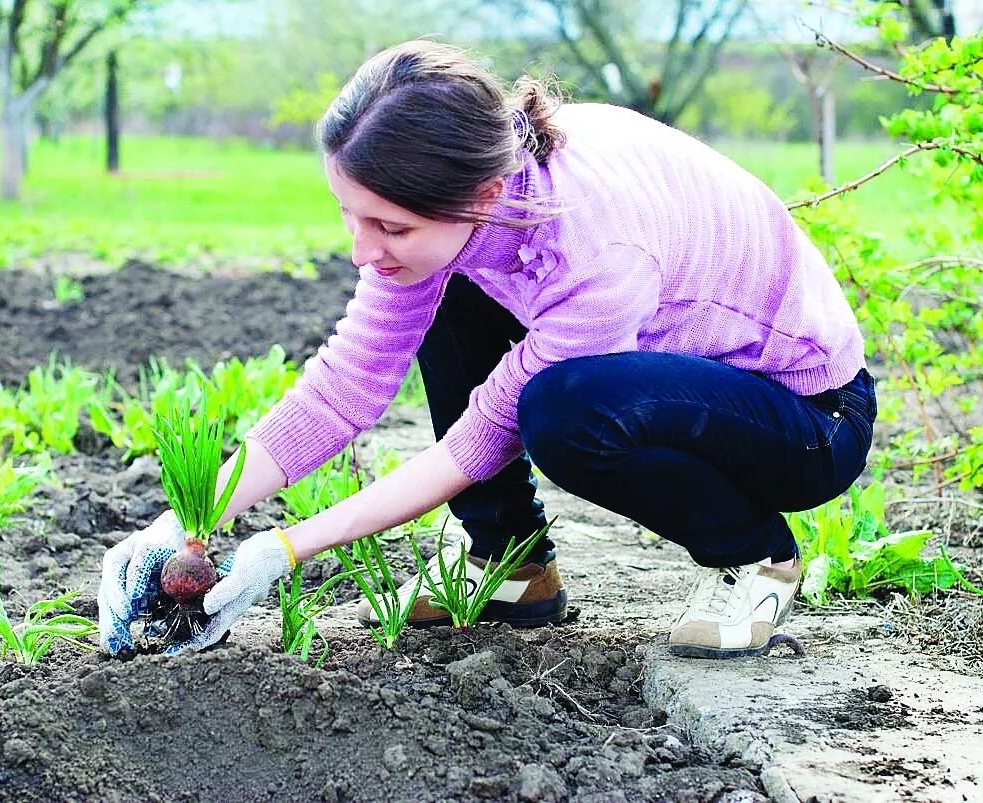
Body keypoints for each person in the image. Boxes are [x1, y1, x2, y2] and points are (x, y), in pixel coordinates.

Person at [98, 40, 875, 660]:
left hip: (806, 418)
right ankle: (514, 564)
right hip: (681, 377)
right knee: (449, 282)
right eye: (350, 214)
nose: (364, 249)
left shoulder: (595, 251)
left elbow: (476, 442)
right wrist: (185, 521)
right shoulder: (472, 190)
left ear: (484, 196)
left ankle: (755, 554)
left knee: (563, 412)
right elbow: (344, 387)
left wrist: (283, 547)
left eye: (389, 226)